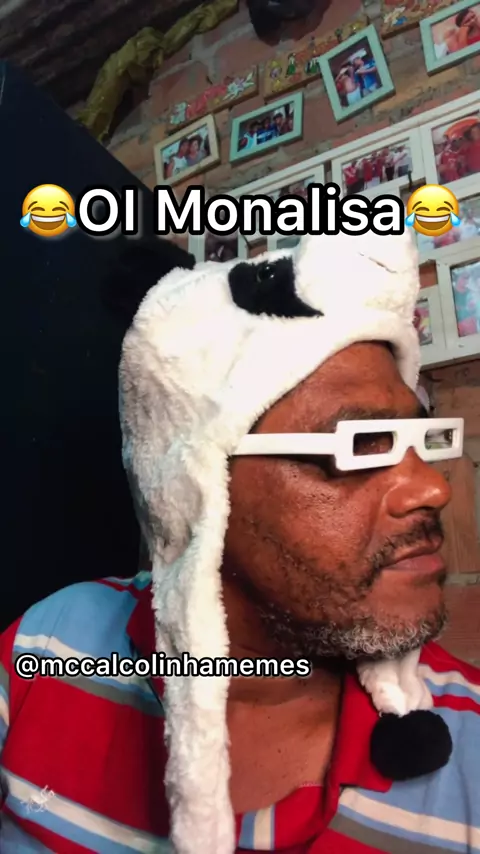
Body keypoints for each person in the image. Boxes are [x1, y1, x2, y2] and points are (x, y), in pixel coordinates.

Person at [0, 229, 479, 854]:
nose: (431, 489)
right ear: (194, 484)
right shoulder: (50, 644)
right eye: (362, 444)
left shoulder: (468, 753)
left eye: (419, 439)